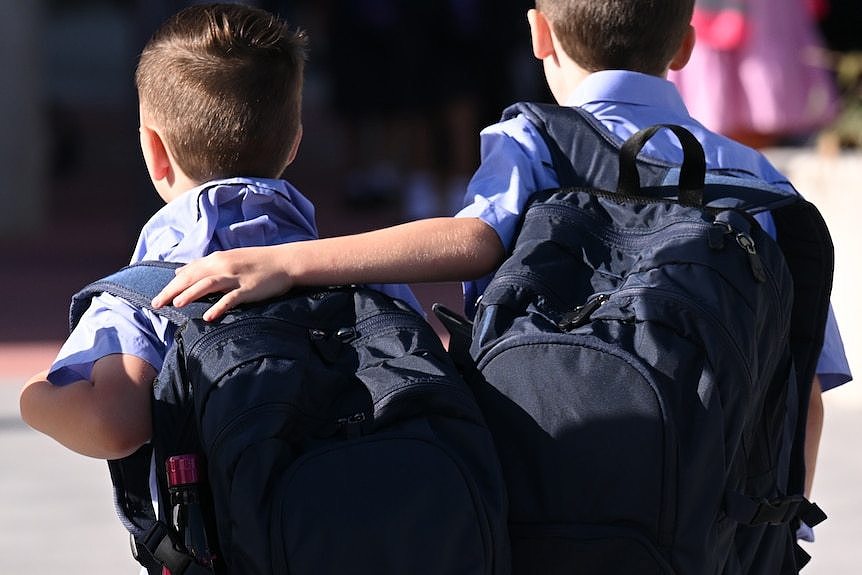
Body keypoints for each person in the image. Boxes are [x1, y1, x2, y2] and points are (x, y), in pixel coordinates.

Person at [150, 0, 852, 530]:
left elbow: (473, 241)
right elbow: (805, 384)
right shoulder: (761, 183)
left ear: (538, 33)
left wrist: (292, 261)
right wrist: (775, 524)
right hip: (713, 519)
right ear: (687, 44)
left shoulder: (536, 140)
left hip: (541, 498)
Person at [18, 3, 420, 460]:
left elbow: (115, 425)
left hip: (233, 531)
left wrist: (35, 397)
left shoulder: (153, 289)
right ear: (294, 142)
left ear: (153, 149)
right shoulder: (360, 269)